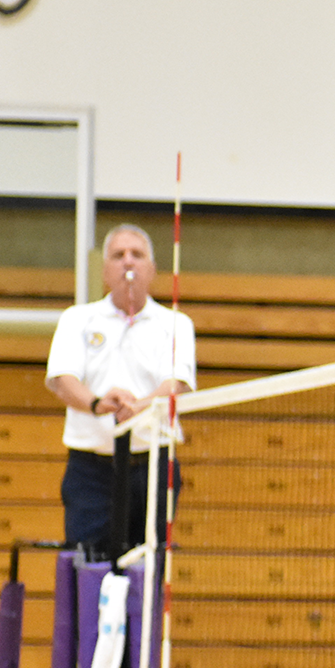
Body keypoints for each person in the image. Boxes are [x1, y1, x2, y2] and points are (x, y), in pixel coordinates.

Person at [45, 224, 195, 559]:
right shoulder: (77, 319)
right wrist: (99, 404)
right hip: (91, 470)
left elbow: (177, 383)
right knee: (87, 564)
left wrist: (140, 406)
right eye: (118, 255)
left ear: (152, 269)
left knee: (147, 566)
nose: (128, 262)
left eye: (137, 255)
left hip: (153, 465)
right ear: (105, 271)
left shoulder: (176, 324)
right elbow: (62, 380)